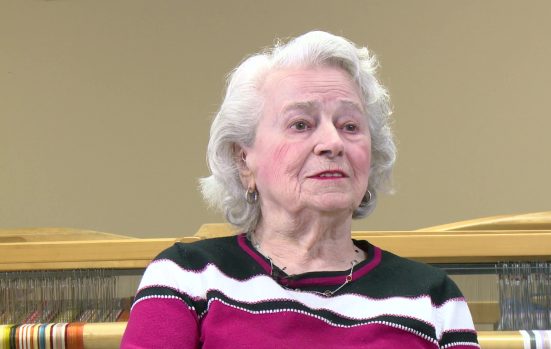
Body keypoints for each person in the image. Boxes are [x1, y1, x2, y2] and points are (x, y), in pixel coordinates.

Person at [121, 31, 478, 349]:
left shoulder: (432, 298)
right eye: (301, 124)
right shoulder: (187, 277)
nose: (332, 143)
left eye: (350, 125)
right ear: (244, 160)